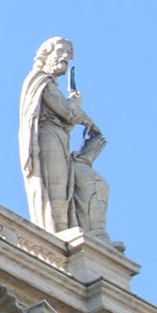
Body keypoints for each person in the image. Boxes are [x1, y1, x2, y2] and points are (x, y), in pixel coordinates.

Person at [17, 36, 104, 235]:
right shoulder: (41, 81)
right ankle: (58, 231)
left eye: (68, 54)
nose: (66, 56)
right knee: (56, 184)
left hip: (59, 137)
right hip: (47, 137)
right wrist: (81, 112)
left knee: (64, 185)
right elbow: (67, 112)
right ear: (47, 55)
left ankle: (63, 229)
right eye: (61, 51)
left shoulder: (51, 85)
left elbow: (66, 115)